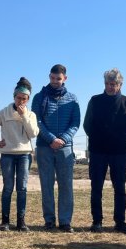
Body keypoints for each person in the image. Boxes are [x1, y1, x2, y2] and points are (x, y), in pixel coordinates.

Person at [83, 68, 126, 234]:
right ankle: (97, 221)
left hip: (118, 151)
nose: (110, 87)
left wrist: (117, 139)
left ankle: (120, 222)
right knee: (96, 187)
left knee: (119, 187)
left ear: (120, 85)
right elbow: (87, 124)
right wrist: (99, 138)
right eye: (107, 83)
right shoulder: (94, 100)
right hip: (98, 150)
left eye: (113, 84)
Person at [31, 64, 80, 232]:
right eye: (52, 78)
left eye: (58, 79)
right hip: (45, 146)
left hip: (65, 148)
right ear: (49, 76)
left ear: (65, 78)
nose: (54, 81)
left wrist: (63, 139)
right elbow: (36, 121)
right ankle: (49, 220)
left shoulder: (73, 99)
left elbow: (75, 123)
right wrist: (51, 139)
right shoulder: (39, 97)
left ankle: (65, 221)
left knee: (66, 185)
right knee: (47, 184)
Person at [0, 77, 39, 232]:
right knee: (7, 188)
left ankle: (21, 221)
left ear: (28, 99)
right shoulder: (4, 112)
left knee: (22, 188)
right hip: (7, 154)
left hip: (24, 154)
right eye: (18, 98)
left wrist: (24, 115)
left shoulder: (31, 115)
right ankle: (5, 221)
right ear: (14, 96)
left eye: (24, 99)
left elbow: (33, 134)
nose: (21, 101)